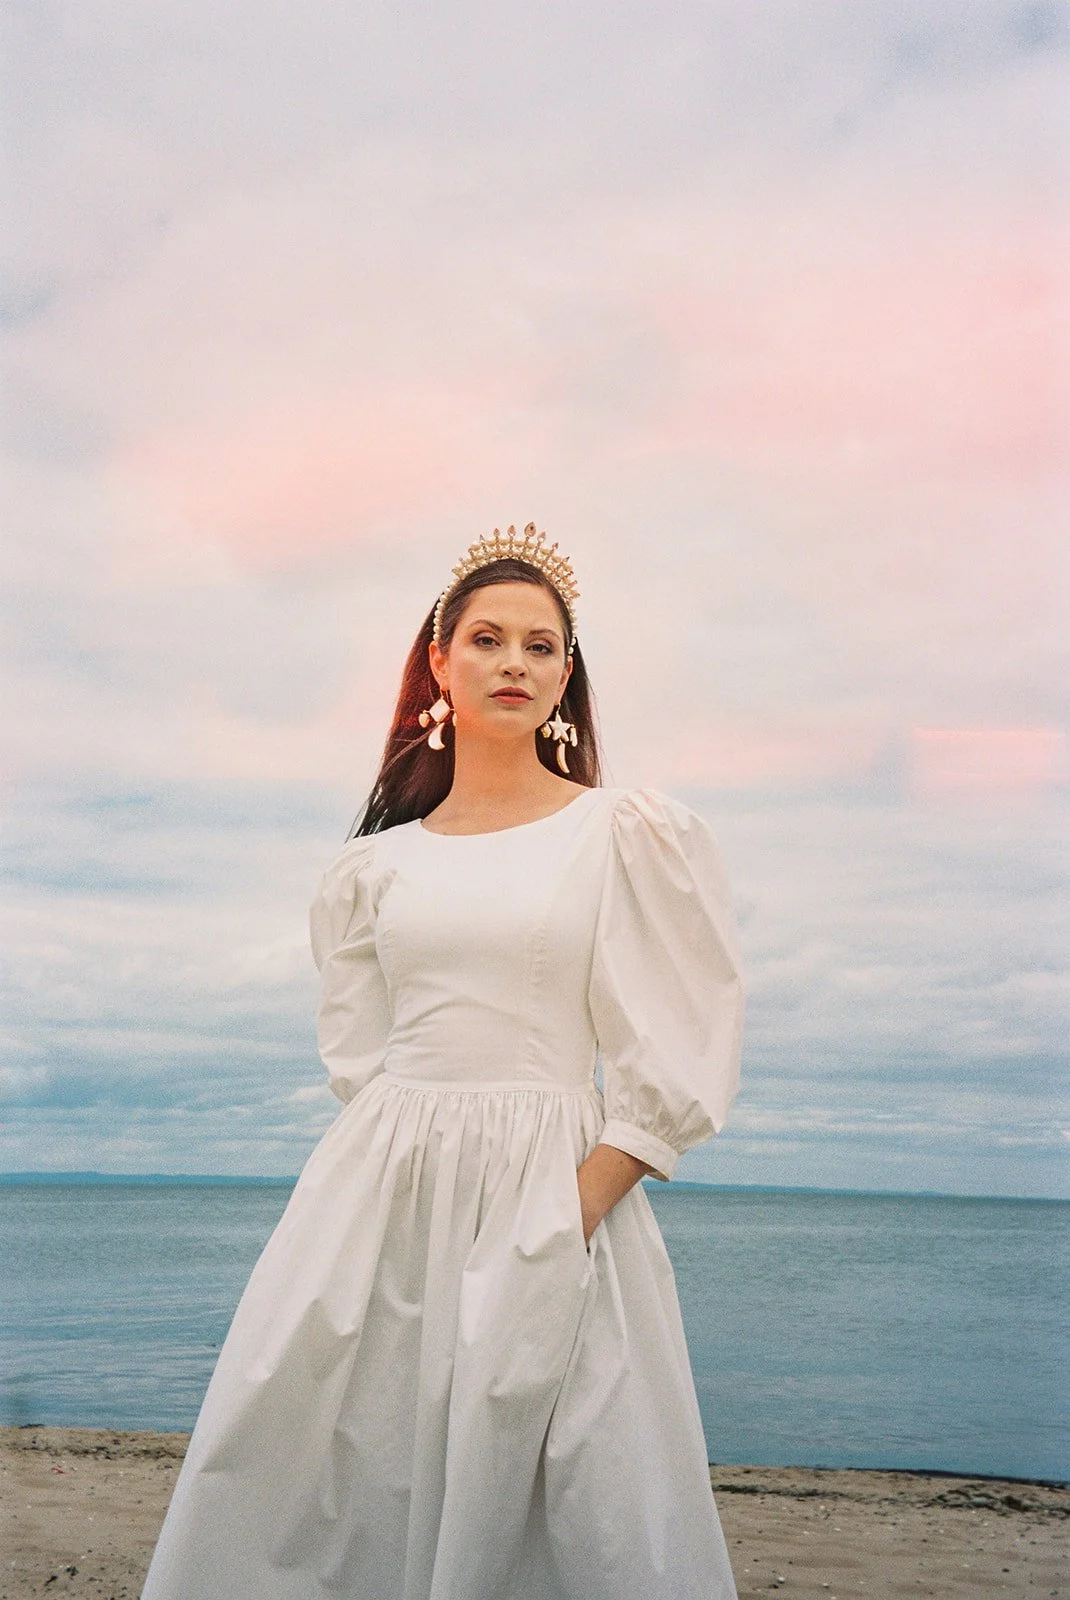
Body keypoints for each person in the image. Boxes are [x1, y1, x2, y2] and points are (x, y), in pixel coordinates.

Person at [140, 523, 746, 1600]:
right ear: (439, 662)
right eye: (486, 638)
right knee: (325, 1464)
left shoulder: (619, 834)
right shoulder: (371, 870)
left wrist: (566, 1215)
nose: (513, 661)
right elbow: (361, 1060)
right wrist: (392, 1192)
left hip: (551, 1194)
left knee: (567, 1487)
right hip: (376, 1203)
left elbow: (672, 1048)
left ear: (566, 674)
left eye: (539, 645)